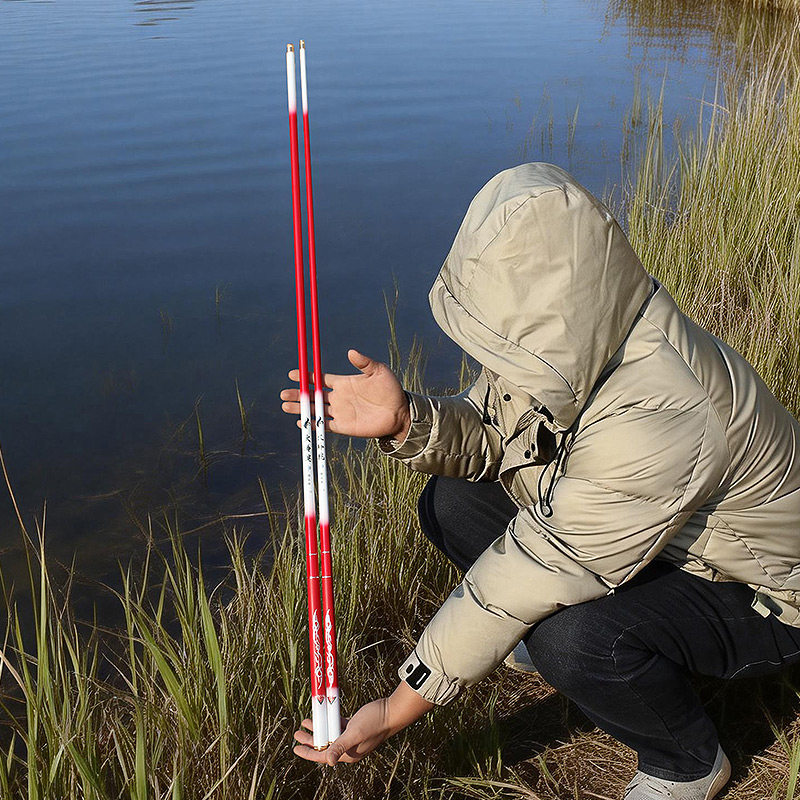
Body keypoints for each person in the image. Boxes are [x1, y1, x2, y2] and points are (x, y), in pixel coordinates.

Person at [280, 163, 800, 800]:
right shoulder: (576, 341)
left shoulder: (668, 410)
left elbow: (532, 570)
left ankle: (688, 762)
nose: (492, 357)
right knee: (454, 501)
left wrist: (399, 705)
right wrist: (409, 423)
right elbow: (497, 437)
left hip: (765, 593)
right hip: (665, 544)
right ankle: (595, 654)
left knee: (570, 637)